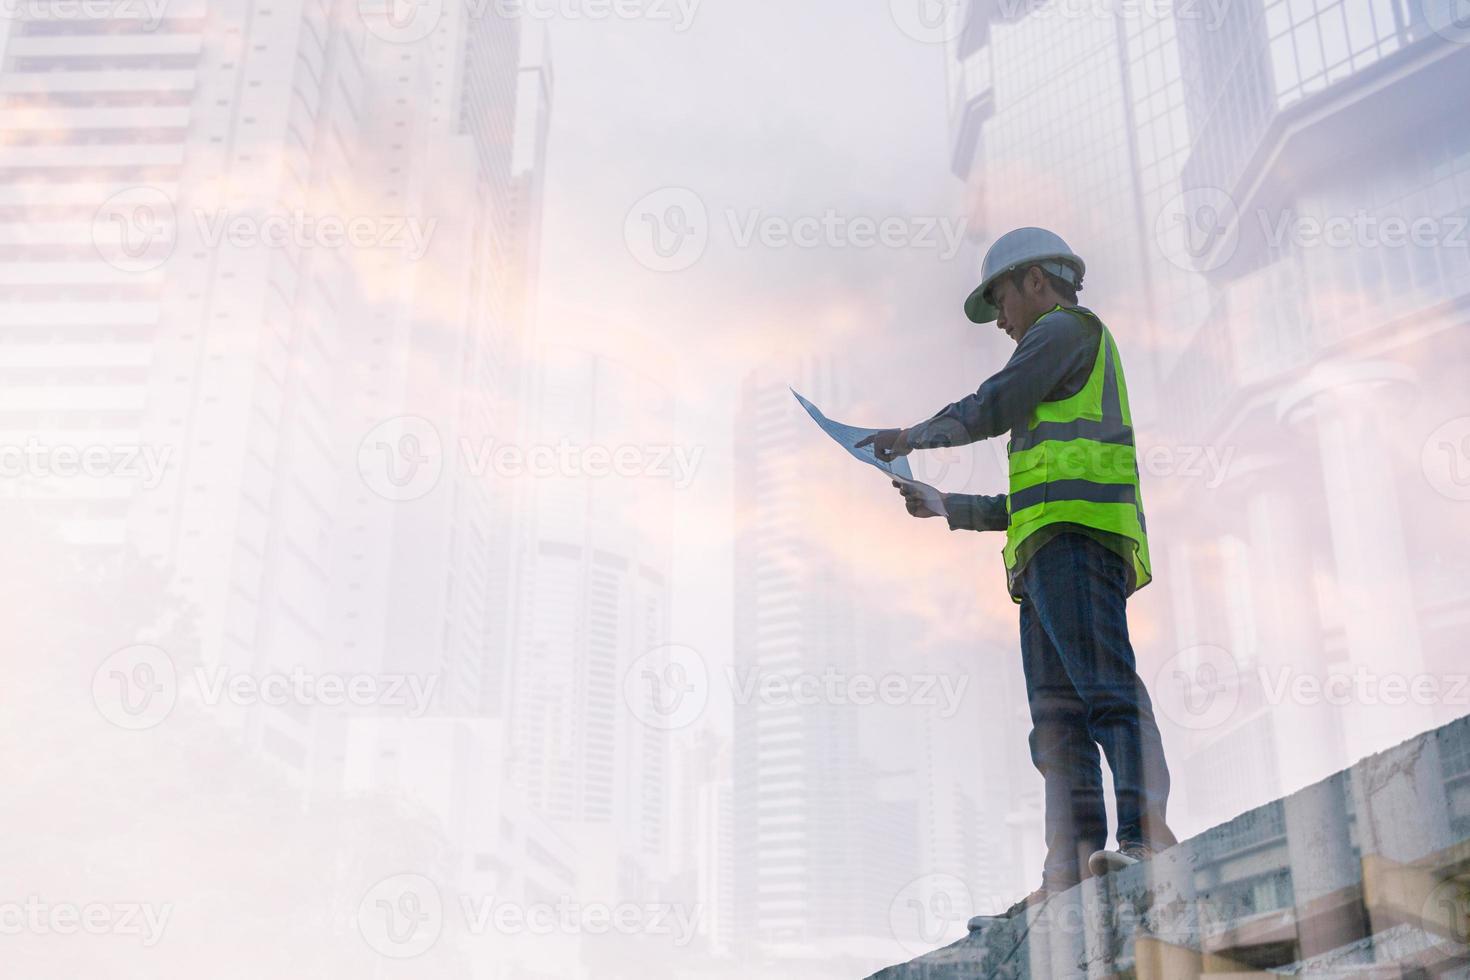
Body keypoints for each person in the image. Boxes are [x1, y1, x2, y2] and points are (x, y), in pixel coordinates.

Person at [858, 228, 1177, 922]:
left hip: (1078, 544)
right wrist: (950, 506)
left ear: (1036, 280)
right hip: (1043, 556)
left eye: (999, 299)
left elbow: (995, 401)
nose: (999, 320)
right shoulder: (1054, 363)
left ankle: (1149, 839)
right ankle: (1072, 872)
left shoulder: (1066, 330)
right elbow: (1027, 496)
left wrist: (915, 435)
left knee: (1106, 693)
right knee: (1056, 726)